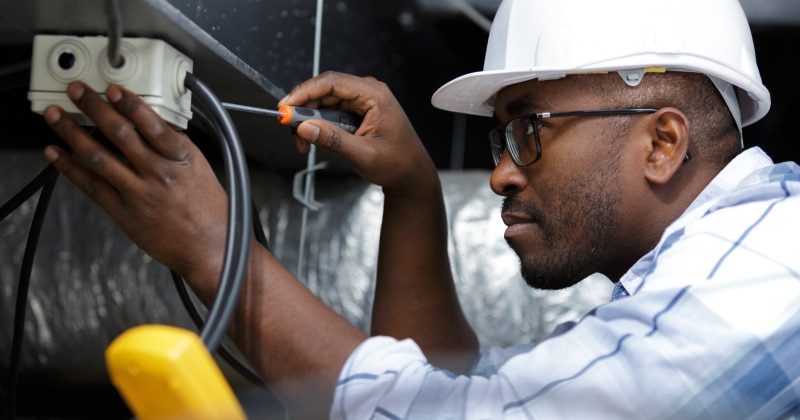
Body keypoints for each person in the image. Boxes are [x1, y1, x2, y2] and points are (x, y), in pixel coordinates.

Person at [40, 0, 800, 417]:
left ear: (663, 143)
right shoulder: (698, 286)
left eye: (529, 130)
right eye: (500, 137)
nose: (501, 174)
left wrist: (218, 251)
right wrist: (411, 193)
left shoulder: (766, 274)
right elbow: (456, 390)